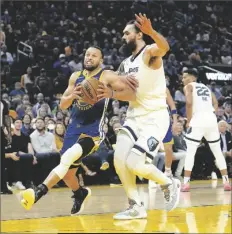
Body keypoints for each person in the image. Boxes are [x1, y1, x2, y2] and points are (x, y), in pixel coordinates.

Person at [19, 46, 138, 214]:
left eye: (94, 55)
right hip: (74, 129)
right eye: (87, 54)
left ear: (101, 60)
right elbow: (62, 105)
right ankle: (79, 193)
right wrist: (73, 96)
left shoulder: (107, 75)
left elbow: (132, 94)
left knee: (67, 157)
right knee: (68, 174)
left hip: (93, 130)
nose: (89, 58)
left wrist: (111, 93)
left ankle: (38, 192)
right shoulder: (76, 77)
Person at [98, 14, 181, 220]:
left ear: (138, 34)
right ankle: (135, 205)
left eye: (126, 33)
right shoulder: (125, 64)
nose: (123, 37)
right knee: (119, 161)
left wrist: (151, 32)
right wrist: (110, 92)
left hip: (154, 117)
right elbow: (129, 93)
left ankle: (168, 183)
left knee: (135, 163)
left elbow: (164, 47)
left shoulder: (149, 53)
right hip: (134, 117)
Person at [181, 69, 231, 192]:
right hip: (211, 121)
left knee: (190, 153)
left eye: (185, 77)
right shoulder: (206, 88)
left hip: (198, 121)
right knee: (218, 152)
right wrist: (211, 113)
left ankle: (186, 184)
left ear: (192, 78)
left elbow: (188, 103)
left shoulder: (189, 86)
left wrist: (188, 120)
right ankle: (226, 182)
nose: (183, 80)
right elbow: (215, 103)